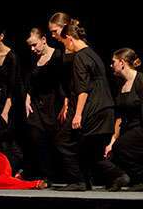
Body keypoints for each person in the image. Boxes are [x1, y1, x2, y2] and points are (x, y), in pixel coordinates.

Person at [54, 22, 116, 191]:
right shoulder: (93, 54)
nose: (65, 46)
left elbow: (83, 89)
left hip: (93, 108)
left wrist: (78, 114)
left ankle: (79, 181)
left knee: (64, 141)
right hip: (106, 107)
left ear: (69, 38)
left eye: (64, 42)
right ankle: (106, 178)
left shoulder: (80, 57)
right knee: (87, 148)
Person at [23, 27, 64, 183]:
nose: (33, 49)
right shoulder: (34, 58)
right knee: (36, 137)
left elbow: (64, 82)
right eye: (30, 46)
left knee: (53, 138)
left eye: (35, 45)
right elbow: (29, 81)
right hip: (36, 103)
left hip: (53, 103)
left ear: (44, 40)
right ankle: (43, 174)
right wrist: (27, 97)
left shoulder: (58, 55)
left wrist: (66, 102)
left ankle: (56, 175)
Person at [102, 48, 142, 191]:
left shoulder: (141, 81)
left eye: (113, 62)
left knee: (122, 147)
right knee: (111, 151)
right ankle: (132, 180)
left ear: (122, 62)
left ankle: (139, 178)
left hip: (140, 127)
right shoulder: (121, 84)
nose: (111, 65)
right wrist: (112, 141)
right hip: (128, 127)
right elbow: (119, 117)